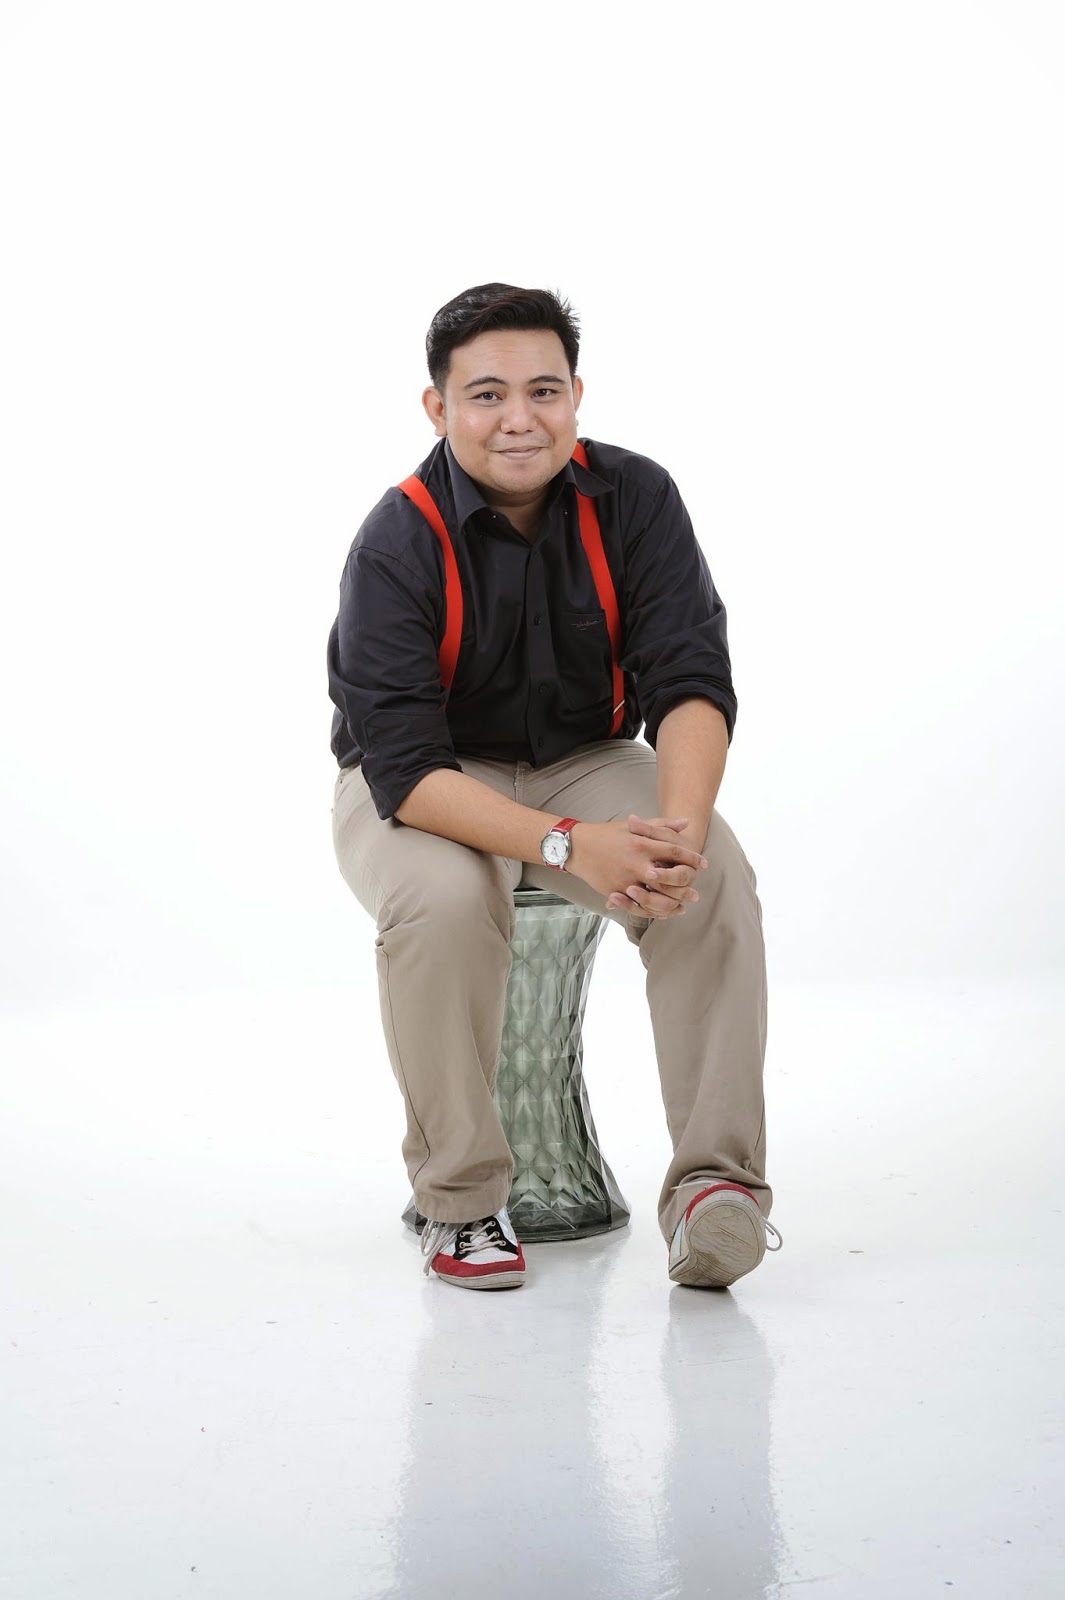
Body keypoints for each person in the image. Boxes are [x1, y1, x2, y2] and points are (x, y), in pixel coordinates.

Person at [327, 283, 781, 1293]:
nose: (519, 418)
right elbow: (405, 767)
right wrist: (572, 842)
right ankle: (462, 1203)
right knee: (444, 900)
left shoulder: (636, 497)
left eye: (543, 390)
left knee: (709, 876)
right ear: (438, 408)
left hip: (586, 756)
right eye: (486, 395)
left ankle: (715, 1190)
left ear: (577, 396)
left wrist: (674, 838)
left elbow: (690, 680)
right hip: (426, 784)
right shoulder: (396, 539)